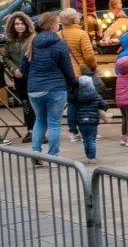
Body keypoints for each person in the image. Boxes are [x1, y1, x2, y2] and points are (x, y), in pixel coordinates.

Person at [22, 12, 79, 160]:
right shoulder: (60, 44)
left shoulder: (30, 42)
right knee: (54, 123)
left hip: (34, 88)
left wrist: (33, 81)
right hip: (56, 87)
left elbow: (24, 68)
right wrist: (74, 84)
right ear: (54, 26)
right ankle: (53, 156)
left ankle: (35, 153)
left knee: (40, 120)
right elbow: (67, 69)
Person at [57, 8, 96, 142]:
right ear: (74, 19)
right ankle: (89, 130)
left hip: (65, 74)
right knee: (87, 103)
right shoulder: (81, 34)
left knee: (72, 104)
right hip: (82, 73)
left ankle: (73, 132)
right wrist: (93, 67)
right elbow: (89, 54)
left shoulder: (58, 35)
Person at [4, 13, 36, 141]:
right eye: (17, 24)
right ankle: (30, 130)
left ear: (27, 25)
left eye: (22, 23)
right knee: (26, 104)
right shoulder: (10, 41)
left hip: (32, 75)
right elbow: (6, 57)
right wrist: (13, 69)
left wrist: (24, 68)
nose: (19, 26)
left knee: (35, 103)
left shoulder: (32, 38)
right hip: (19, 78)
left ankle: (38, 131)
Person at [72, 75, 106, 164]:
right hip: (92, 121)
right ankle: (92, 157)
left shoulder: (76, 95)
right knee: (91, 139)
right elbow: (104, 104)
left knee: (85, 139)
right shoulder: (96, 95)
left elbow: (73, 105)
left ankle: (88, 155)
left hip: (81, 121)